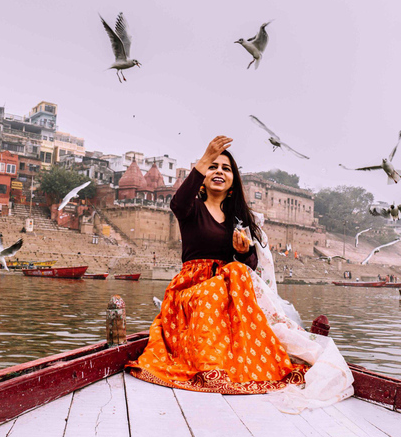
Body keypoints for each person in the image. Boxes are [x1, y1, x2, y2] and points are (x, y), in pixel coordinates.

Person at [127, 136, 305, 394]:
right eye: (214, 166)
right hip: (192, 291)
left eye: (226, 168)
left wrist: (243, 253)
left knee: (236, 271)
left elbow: (251, 267)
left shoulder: (238, 220)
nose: (219, 171)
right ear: (203, 176)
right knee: (216, 287)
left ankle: (240, 361)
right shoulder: (191, 210)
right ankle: (210, 367)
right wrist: (205, 157)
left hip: (226, 294)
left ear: (233, 183)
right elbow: (176, 202)